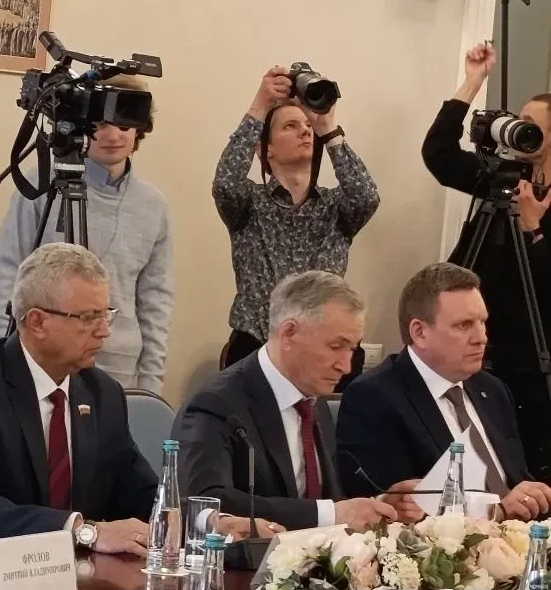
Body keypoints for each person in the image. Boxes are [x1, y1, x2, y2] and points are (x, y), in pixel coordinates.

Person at [0, 243, 276, 552]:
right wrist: (86, 531)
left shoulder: (101, 393)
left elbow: (141, 492)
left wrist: (207, 522)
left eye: (106, 315)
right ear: (38, 322)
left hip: (77, 582)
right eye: (88, 317)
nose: (104, 331)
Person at [0, 74, 174, 393]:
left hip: (120, 368)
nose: (113, 135)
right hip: (43, 361)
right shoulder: (41, 185)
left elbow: (156, 299)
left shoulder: (154, 206)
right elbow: (8, 274)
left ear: (139, 128)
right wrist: (0, 361)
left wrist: (150, 384)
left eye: (124, 123)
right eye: (100, 123)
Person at [174, 271, 397, 532]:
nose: (346, 366)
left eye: (353, 349)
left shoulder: (314, 402)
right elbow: (204, 503)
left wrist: (377, 505)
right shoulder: (216, 404)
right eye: (336, 346)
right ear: (289, 333)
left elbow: (330, 501)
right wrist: (331, 513)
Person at [422, 42, 551, 481]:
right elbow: (439, 154)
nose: (519, 130)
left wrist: (534, 229)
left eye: (531, 125)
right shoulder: (504, 179)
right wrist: (472, 81)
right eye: (519, 120)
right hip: (469, 343)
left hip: (529, 354)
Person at [336, 263, 551, 523]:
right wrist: (496, 512)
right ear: (420, 332)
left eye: (482, 322)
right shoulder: (374, 397)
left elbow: (517, 481)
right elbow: (393, 514)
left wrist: (532, 495)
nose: (481, 337)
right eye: (464, 325)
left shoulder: (493, 390)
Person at [214, 66, 380, 388]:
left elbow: (367, 196)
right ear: (265, 148)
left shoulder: (335, 207)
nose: (305, 132)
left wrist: (327, 128)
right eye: (291, 126)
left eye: (307, 127)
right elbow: (225, 183)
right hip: (257, 347)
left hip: (326, 348)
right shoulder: (250, 203)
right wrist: (260, 106)